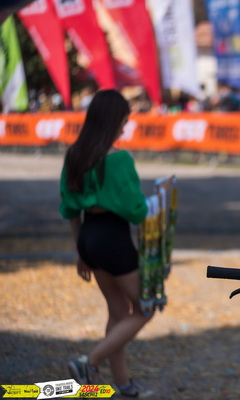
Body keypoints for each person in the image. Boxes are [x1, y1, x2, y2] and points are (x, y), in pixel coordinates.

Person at [59, 89, 153, 398]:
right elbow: (136, 211)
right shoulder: (118, 159)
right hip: (113, 238)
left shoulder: (74, 155)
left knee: (118, 309)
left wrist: (80, 251)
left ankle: (123, 384)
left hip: (88, 235)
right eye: (124, 121)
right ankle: (90, 362)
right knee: (146, 308)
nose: (124, 128)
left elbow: (70, 210)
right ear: (114, 120)